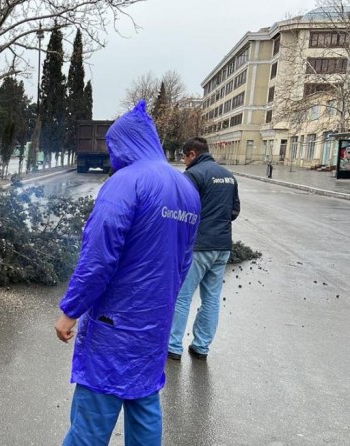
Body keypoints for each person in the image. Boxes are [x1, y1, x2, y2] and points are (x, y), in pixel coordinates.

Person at [55, 101, 201, 445]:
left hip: (114, 323)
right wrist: (162, 303)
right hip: (154, 322)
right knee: (144, 400)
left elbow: (98, 256)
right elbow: (183, 261)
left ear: (124, 144)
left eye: (113, 147)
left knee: (92, 416)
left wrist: (70, 310)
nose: (112, 155)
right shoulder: (186, 189)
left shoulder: (126, 182)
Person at [168, 137, 241, 361]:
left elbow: (180, 211)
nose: (183, 161)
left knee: (182, 296)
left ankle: (173, 346)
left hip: (198, 246)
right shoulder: (229, 176)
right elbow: (235, 212)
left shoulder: (193, 175)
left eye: (184, 156)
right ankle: (201, 347)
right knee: (211, 298)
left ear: (192, 154)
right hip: (222, 247)